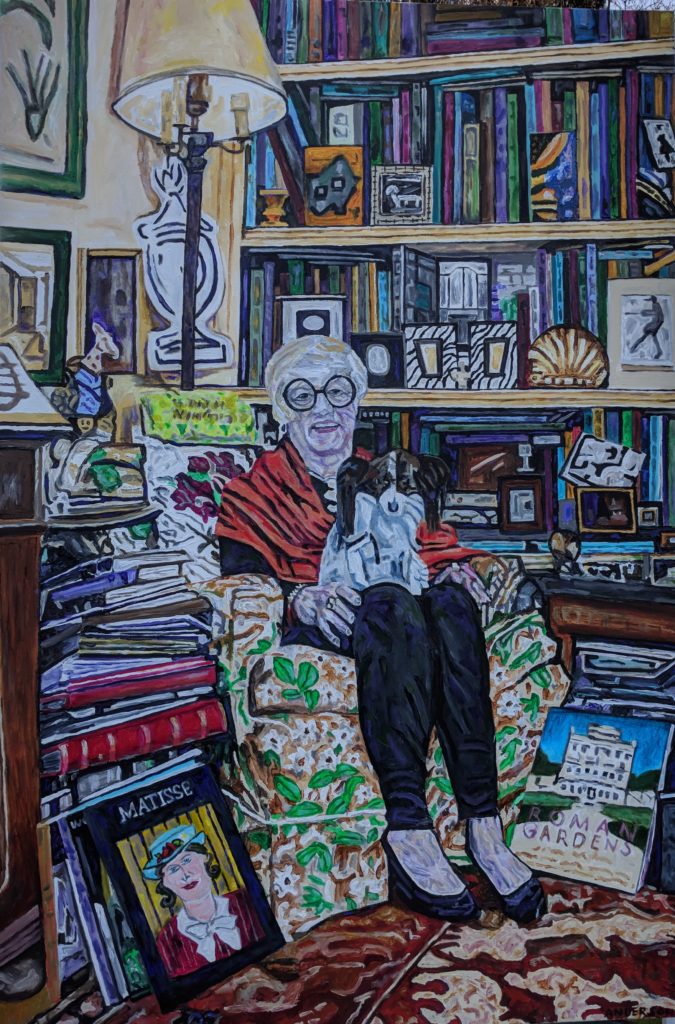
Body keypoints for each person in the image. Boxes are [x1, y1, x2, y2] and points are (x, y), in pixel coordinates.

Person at [216, 335, 545, 924]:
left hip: (401, 621)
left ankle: (483, 825)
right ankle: (408, 827)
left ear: (358, 402)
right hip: (326, 624)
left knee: (451, 604)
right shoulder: (253, 493)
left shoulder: (386, 474)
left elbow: (434, 547)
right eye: (303, 395)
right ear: (282, 409)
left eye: (338, 392)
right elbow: (241, 580)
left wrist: (458, 571)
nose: (324, 409)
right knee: (391, 605)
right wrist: (300, 600)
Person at [143, 824, 263, 978]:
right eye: (173, 869)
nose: (185, 874)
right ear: (165, 883)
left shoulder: (246, 902)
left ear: (204, 857)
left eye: (187, 860)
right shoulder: (167, 942)